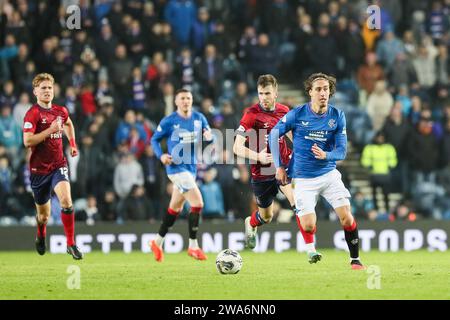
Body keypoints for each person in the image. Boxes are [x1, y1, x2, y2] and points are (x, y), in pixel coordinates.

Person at [269, 72, 365, 269]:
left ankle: (355, 260)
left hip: (329, 174)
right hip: (303, 178)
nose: (323, 93)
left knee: (346, 216)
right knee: (308, 225)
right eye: (319, 89)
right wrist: (279, 166)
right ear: (310, 92)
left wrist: (326, 155)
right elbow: (273, 134)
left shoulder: (337, 116)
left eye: (326, 89)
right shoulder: (297, 114)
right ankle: (310, 244)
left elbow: (342, 151)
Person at [22, 73, 83, 260]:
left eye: (49, 87)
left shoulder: (60, 111)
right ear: (35, 92)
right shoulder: (32, 113)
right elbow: (27, 141)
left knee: (66, 201)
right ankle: (41, 234)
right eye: (43, 88)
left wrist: (72, 144)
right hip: (39, 171)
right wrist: (50, 130)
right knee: (44, 216)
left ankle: (71, 243)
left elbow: (68, 124)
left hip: (58, 164)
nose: (47, 91)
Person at [233, 74, 295, 249]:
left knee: (296, 201)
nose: (264, 98)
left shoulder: (285, 111)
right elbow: (236, 148)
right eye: (261, 93)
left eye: (267, 93)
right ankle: (251, 223)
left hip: (282, 168)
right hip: (262, 173)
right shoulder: (251, 114)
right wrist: (258, 156)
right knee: (266, 217)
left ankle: (311, 249)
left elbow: (294, 138)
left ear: (275, 93)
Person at [150, 88, 212, 262]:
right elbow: (154, 139)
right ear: (176, 102)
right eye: (182, 98)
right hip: (176, 169)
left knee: (174, 208)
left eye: (189, 98)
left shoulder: (199, 118)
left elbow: (210, 137)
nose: (186, 101)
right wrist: (161, 155)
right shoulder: (170, 121)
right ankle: (193, 246)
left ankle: (157, 242)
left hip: (191, 169)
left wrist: (210, 137)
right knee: (198, 203)